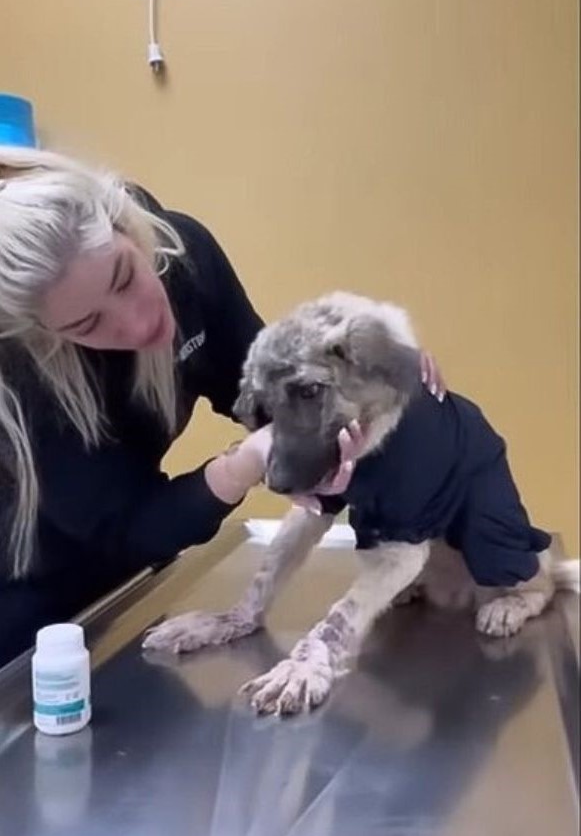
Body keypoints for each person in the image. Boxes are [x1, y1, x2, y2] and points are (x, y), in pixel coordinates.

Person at [0, 147, 444, 667]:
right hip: (25, 597)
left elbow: (264, 391)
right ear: (46, 333)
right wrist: (242, 465)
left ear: (124, 225)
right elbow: (124, 527)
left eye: (124, 277)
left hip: (128, 580)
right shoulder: (25, 370)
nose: (137, 325)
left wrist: (361, 384)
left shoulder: (188, 257)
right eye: (87, 326)